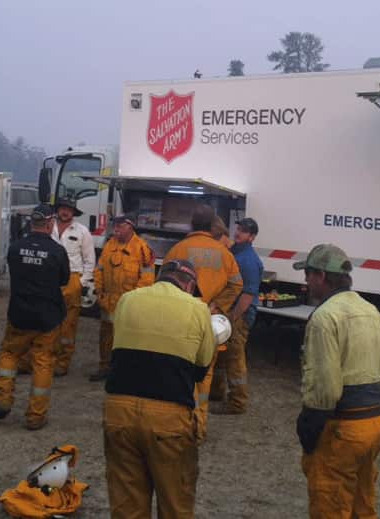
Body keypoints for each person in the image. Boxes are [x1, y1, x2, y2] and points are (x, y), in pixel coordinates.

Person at [103, 259, 215, 519]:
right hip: (168, 417)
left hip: (119, 410)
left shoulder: (128, 300)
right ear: (189, 284)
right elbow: (200, 368)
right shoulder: (198, 309)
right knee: (176, 501)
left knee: (126, 503)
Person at [293, 244, 380, 519]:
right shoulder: (370, 310)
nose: (306, 281)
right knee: (363, 504)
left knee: (330, 505)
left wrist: (308, 427)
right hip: (374, 426)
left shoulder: (324, 318)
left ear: (321, 276)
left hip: (342, 430)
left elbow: (325, 388)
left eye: (308, 275)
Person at [164, 205, 243, 439]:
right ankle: (198, 429)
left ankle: (179, 425)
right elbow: (236, 284)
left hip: (182, 322)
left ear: (191, 225)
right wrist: (215, 306)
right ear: (212, 226)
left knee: (180, 372)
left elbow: (164, 283)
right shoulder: (225, 253)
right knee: (204, 376)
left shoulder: (178, 249)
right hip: (209, 324)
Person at [0, 204, 70, 430]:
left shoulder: (15, 248)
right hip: (47, 317)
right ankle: (36, 416)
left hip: (19, 314)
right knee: (43, 363)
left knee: (9, 354)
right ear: (50, 223)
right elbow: (64, 280)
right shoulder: (57, 251)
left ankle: (3, 399)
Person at [89, 214, 155, 382]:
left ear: (130, 227)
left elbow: (147, 279)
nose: (116, 229)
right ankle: (104, 366)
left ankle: (123, 370)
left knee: (127, 338)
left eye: (120, 226)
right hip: (108, 301)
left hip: (129, 305)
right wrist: (99, 292)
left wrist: (134, 302)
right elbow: (99, 270)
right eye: (115, 226)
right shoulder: (109, 245)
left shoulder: (142, 248)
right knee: (105, 337)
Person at [211, 217, 263, 415]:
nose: (238, 232)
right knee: (221, 353)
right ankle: (216, 393)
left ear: (252, 237)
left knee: (234, 357)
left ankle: (237, 402)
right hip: (227, 314)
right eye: (238, 228)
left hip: (238, 316)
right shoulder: (234, 253)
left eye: (244, 231)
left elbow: (248, 296)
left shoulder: (248, 260)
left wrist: (232, 318)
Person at [47, 197, 95, 376]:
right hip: (49, 278)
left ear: (74, 212)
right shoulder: (47, 227)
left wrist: (81, 283)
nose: (65, 212)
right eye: (62, 208)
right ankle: (46, 359)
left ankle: (62, 363)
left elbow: (90, 260)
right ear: (57, 210)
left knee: (68, 325)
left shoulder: (83, 232)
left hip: (72, 279)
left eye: (69, 209)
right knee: (48, 321)